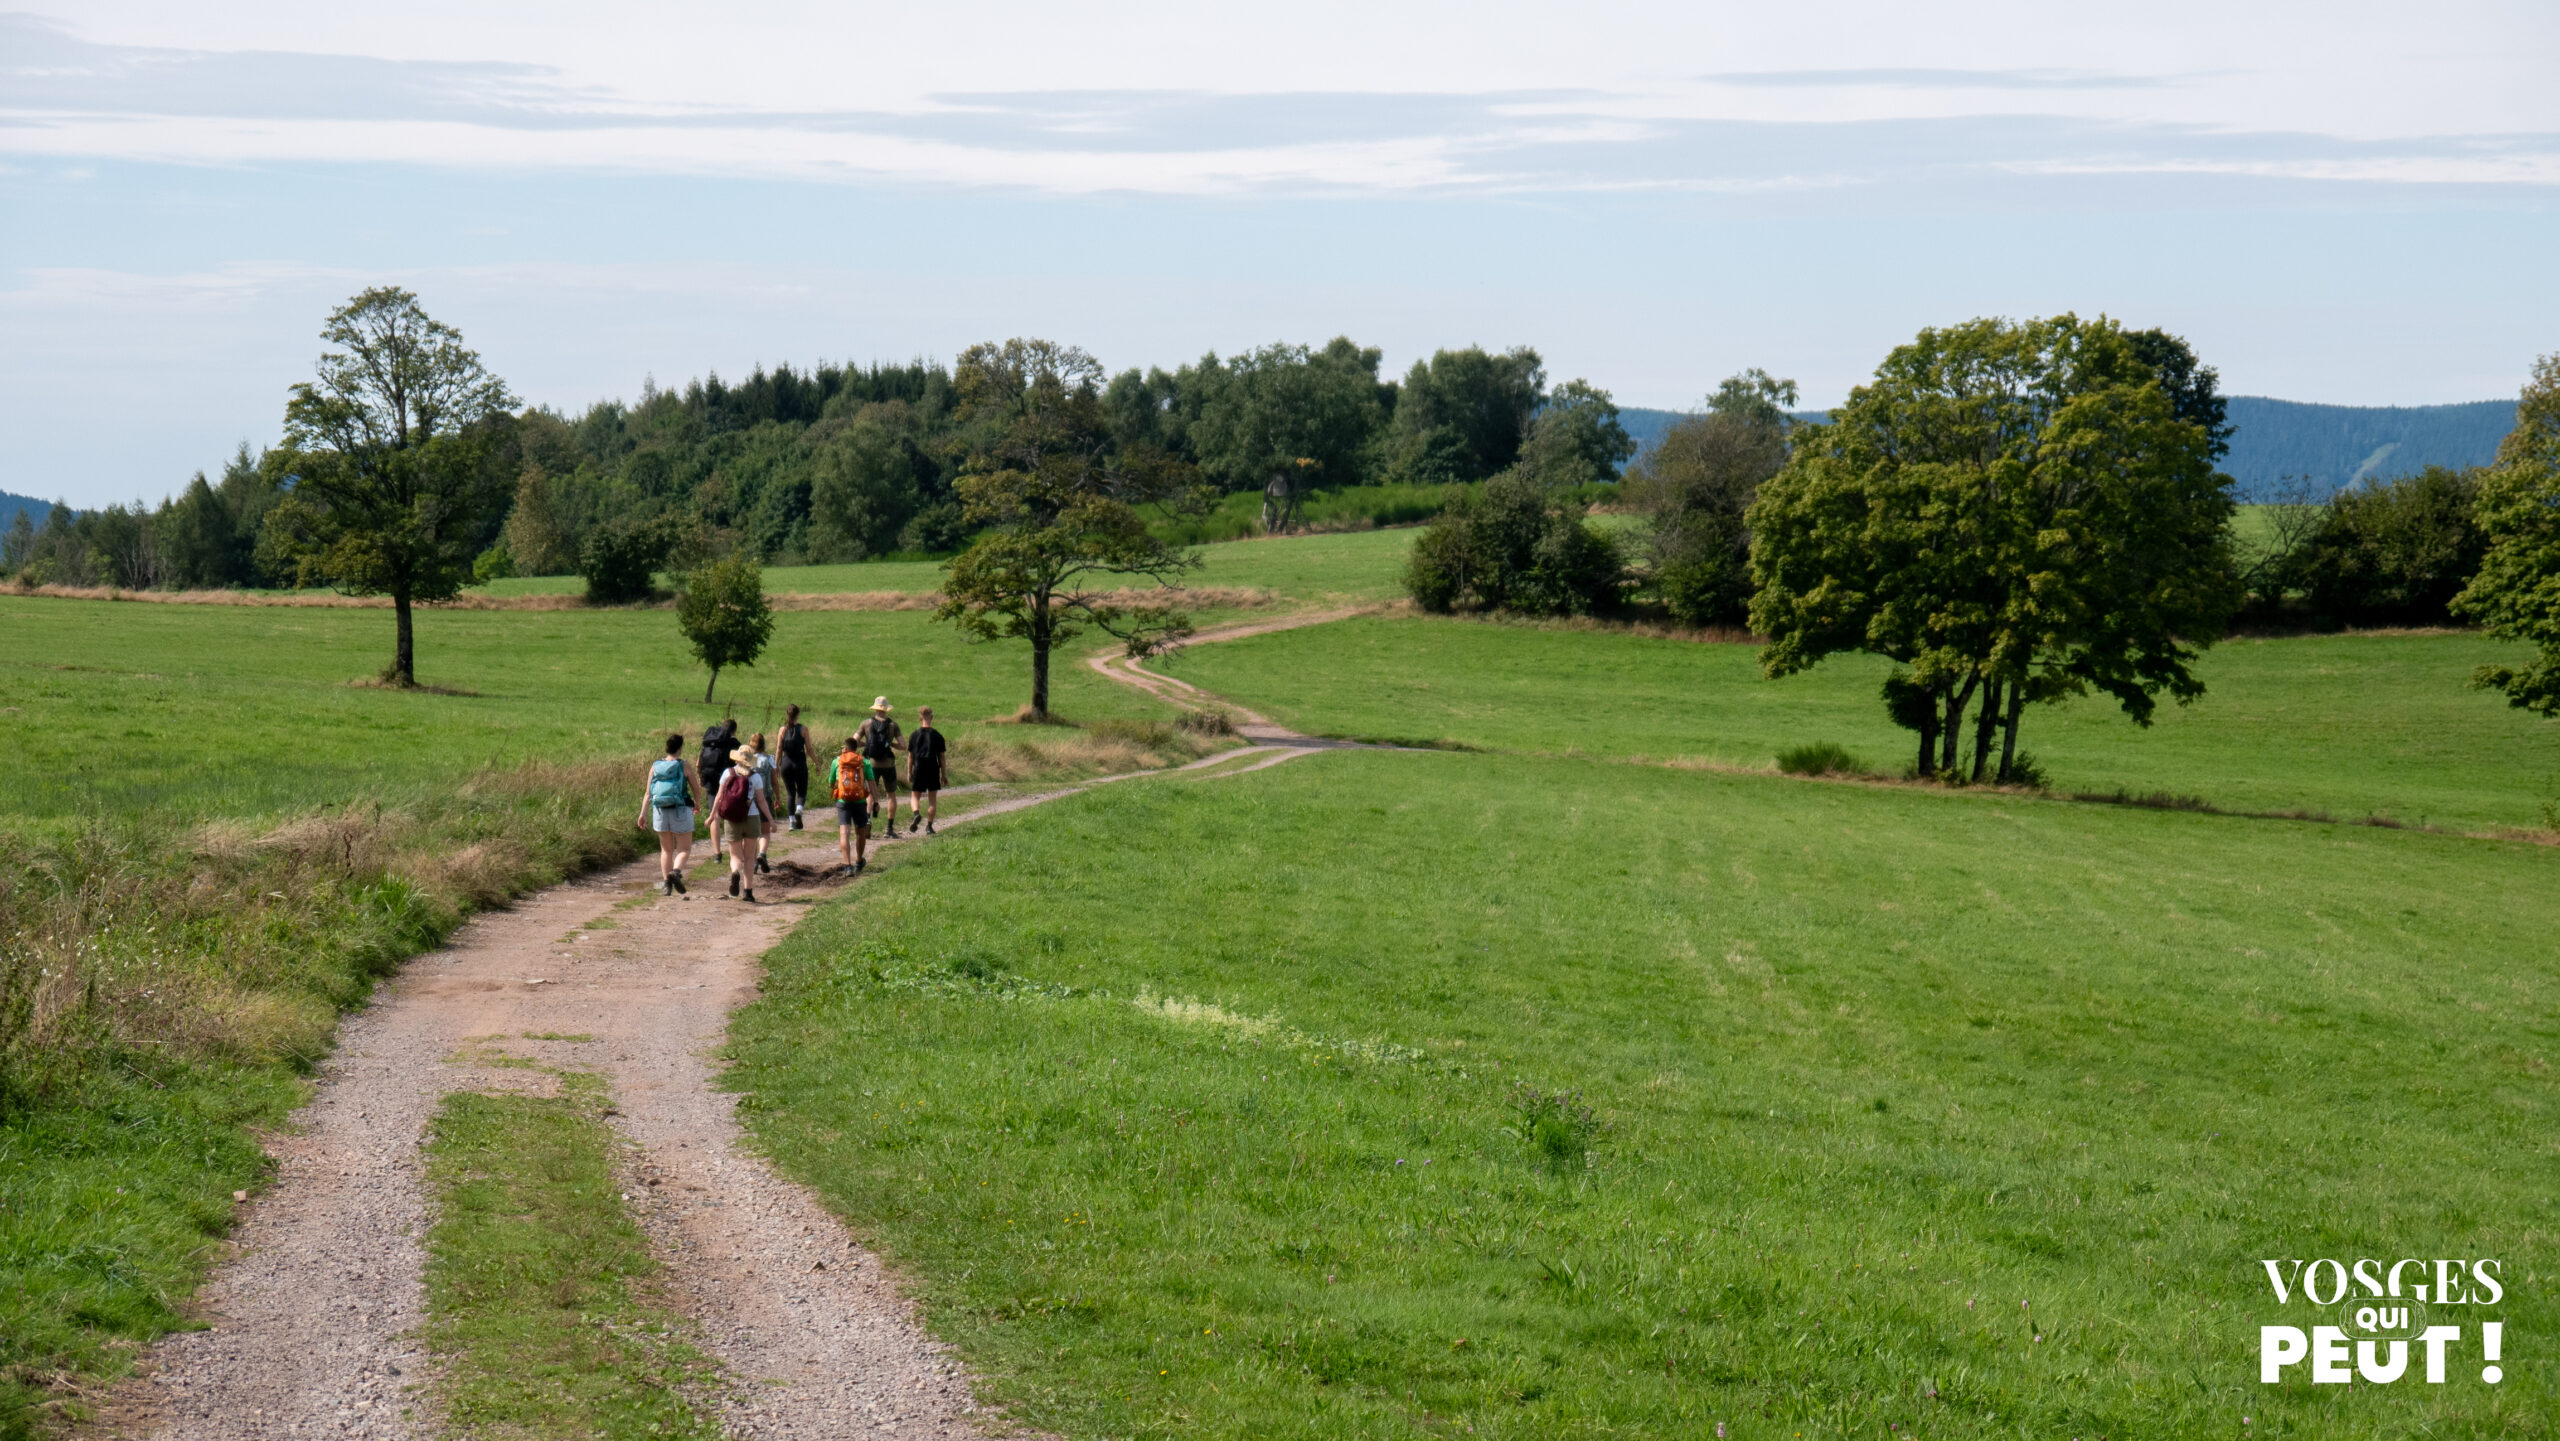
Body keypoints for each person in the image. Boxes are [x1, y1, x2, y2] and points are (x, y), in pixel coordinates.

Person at [709, 745, 774, 901]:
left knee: (735, 856)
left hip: (732, 818)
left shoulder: (727, 773)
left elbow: (718, 797)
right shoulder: (755, 777)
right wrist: (771, 820)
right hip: (751, 818)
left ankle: (735, 872)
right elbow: (761, 800)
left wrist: (711, 816)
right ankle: (748, 892)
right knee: (750, 857)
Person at [640, 732, 697, 895]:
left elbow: (648, 793)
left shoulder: (655, 765)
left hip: (659, 811)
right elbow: (695, 788)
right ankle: (676, 872)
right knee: (684, 849)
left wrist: (642, 813)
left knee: (666, 850)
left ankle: (667, 886)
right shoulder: (683, 765)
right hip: (680, 810)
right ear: (680, 749)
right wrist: (697, 803)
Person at [856, 697, 905, 837]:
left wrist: (866, 744)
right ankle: (889, 829)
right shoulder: (893, 725)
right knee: (891, 795)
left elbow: (854, 741)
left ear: (875, 709)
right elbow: (903, 745)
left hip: (870, 764)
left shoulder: (866, 723)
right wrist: (890, 745)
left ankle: (867, 820)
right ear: (886, 709)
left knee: (870, 793)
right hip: (888, 764)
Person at [825, 734, 872, 874]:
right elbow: (871, 783)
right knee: (860, 832)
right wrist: (875, 800)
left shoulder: (837, 761)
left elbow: (831, 782)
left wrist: (834, 788)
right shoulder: (864, 761)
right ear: (856, 748)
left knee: (844, 832)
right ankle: (858, 861)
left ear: (845, 748)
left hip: (843, 800)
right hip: (860, 801)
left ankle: (847, 866)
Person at [907, 705, 947, 835]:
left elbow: (910, 756)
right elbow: (942, 757)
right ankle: (929, 826)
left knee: (914, 795)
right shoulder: (938, 736)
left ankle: (916, 813)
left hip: (919, 768)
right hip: (933, 769)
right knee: (932, 799)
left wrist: (909, 772)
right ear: (932, 718)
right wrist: (943, 775)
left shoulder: (914, 735)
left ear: (920, 718)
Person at [747, 732, 781, 874]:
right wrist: (778, 797)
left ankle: (754, 862)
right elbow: (774, 780)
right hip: (765, 797)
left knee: (752, 834)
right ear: (763, 744)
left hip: (748, 799)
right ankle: (762, 854)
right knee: (765, 832)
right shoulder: (769, 759)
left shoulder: (748, 759)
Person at [776, 703, 812, 831]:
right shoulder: (803, 729)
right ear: (798, 714)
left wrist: (776, 765)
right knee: (802, 791)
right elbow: (809, 749)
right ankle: (799, 809)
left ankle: (791, 822)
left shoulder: (782, 730)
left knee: (790, 793)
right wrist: (817, 762)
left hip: (786, 763)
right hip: (800, 763)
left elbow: (779, 748)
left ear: (787, 714)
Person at [696, 717, 737, 798]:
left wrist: (701, 778)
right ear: (734, 731)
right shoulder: (735, 744)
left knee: (713, 809)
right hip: (728, 784)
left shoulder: (710, 742)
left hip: (710, 781)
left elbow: (698, 764)